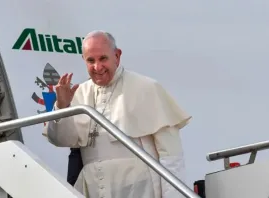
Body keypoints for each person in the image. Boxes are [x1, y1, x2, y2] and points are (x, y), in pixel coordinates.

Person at [45, 30, 192, 198]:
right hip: (94, 189)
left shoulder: (146, 88)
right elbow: (60, 140)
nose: (97, 67)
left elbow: (171, 156)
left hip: (140, 189)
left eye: (103, 59)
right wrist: (62, 107)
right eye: (90, 60)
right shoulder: (79, 93)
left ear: (117, 55)